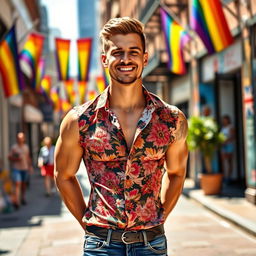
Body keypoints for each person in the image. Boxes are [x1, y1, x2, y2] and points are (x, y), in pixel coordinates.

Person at [54, 17, 188, 256]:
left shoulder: (171, 119)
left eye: (133, 52)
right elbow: (63, 175)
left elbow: (177, 173)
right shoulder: (79, 120)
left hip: (151, 244)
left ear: (145, 58)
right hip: (101, 245)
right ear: (105, 59)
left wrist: (158, 217)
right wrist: (87, 223)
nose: (126, 59)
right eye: (118, 52)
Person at [8, 132, 33, 209]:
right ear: (17, 139)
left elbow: (28, 157)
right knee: (17, 183)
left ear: (24, 139)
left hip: (24, 168)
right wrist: (16, 159)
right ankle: (17, 201)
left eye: (22, 138)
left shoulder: (26, 147)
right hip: (16, 168)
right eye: (19, 138)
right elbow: (9, 157)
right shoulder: (14, 147)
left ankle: (22, 198)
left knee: (23, 185)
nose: (20, 139)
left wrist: (30, 166)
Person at [221, 115, 235, 185]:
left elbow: (232, 137)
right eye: (223, 119)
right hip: (223, 146)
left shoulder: (231, 127)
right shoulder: (223, 127)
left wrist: (225, 141)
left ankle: (228, 178)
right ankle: (225, 177)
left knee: (229, 162)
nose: (224, 121)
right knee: (224, 162)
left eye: (225, 119)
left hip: (229, 145)